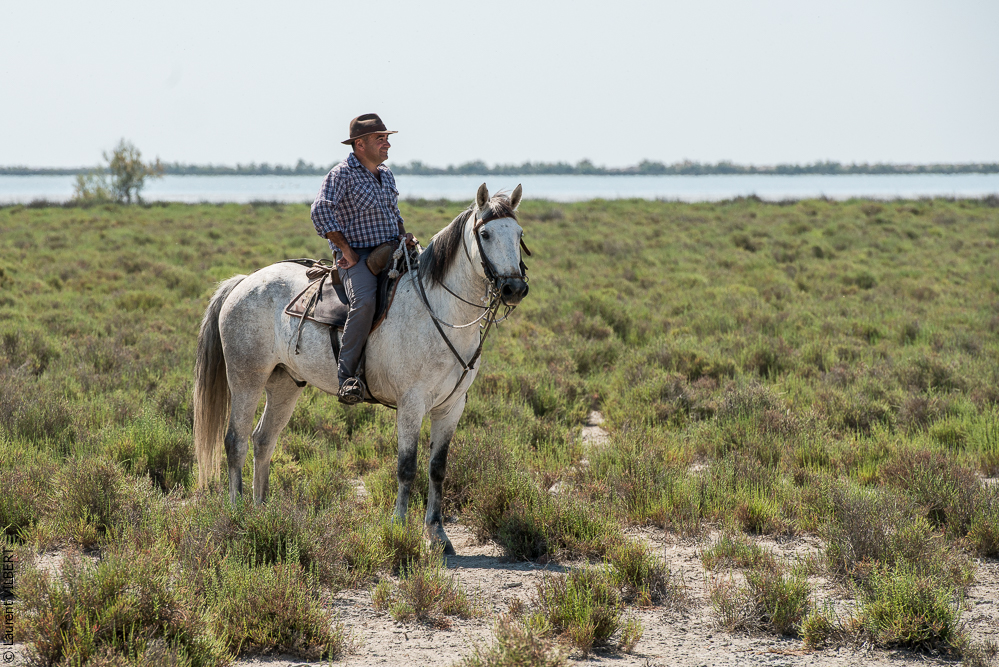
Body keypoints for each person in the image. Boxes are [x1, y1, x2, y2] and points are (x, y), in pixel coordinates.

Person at [310, 113, 416, 404]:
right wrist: (345, 250)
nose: (387, 145)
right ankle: (347, 377)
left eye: (387, 139)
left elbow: (395, 215)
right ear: (359, 144)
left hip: (394, 250)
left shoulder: (388, 174)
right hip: (358, 260)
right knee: (365, 301)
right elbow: (320, 210)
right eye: (380, 139)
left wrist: (404, 235)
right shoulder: (341, 174)